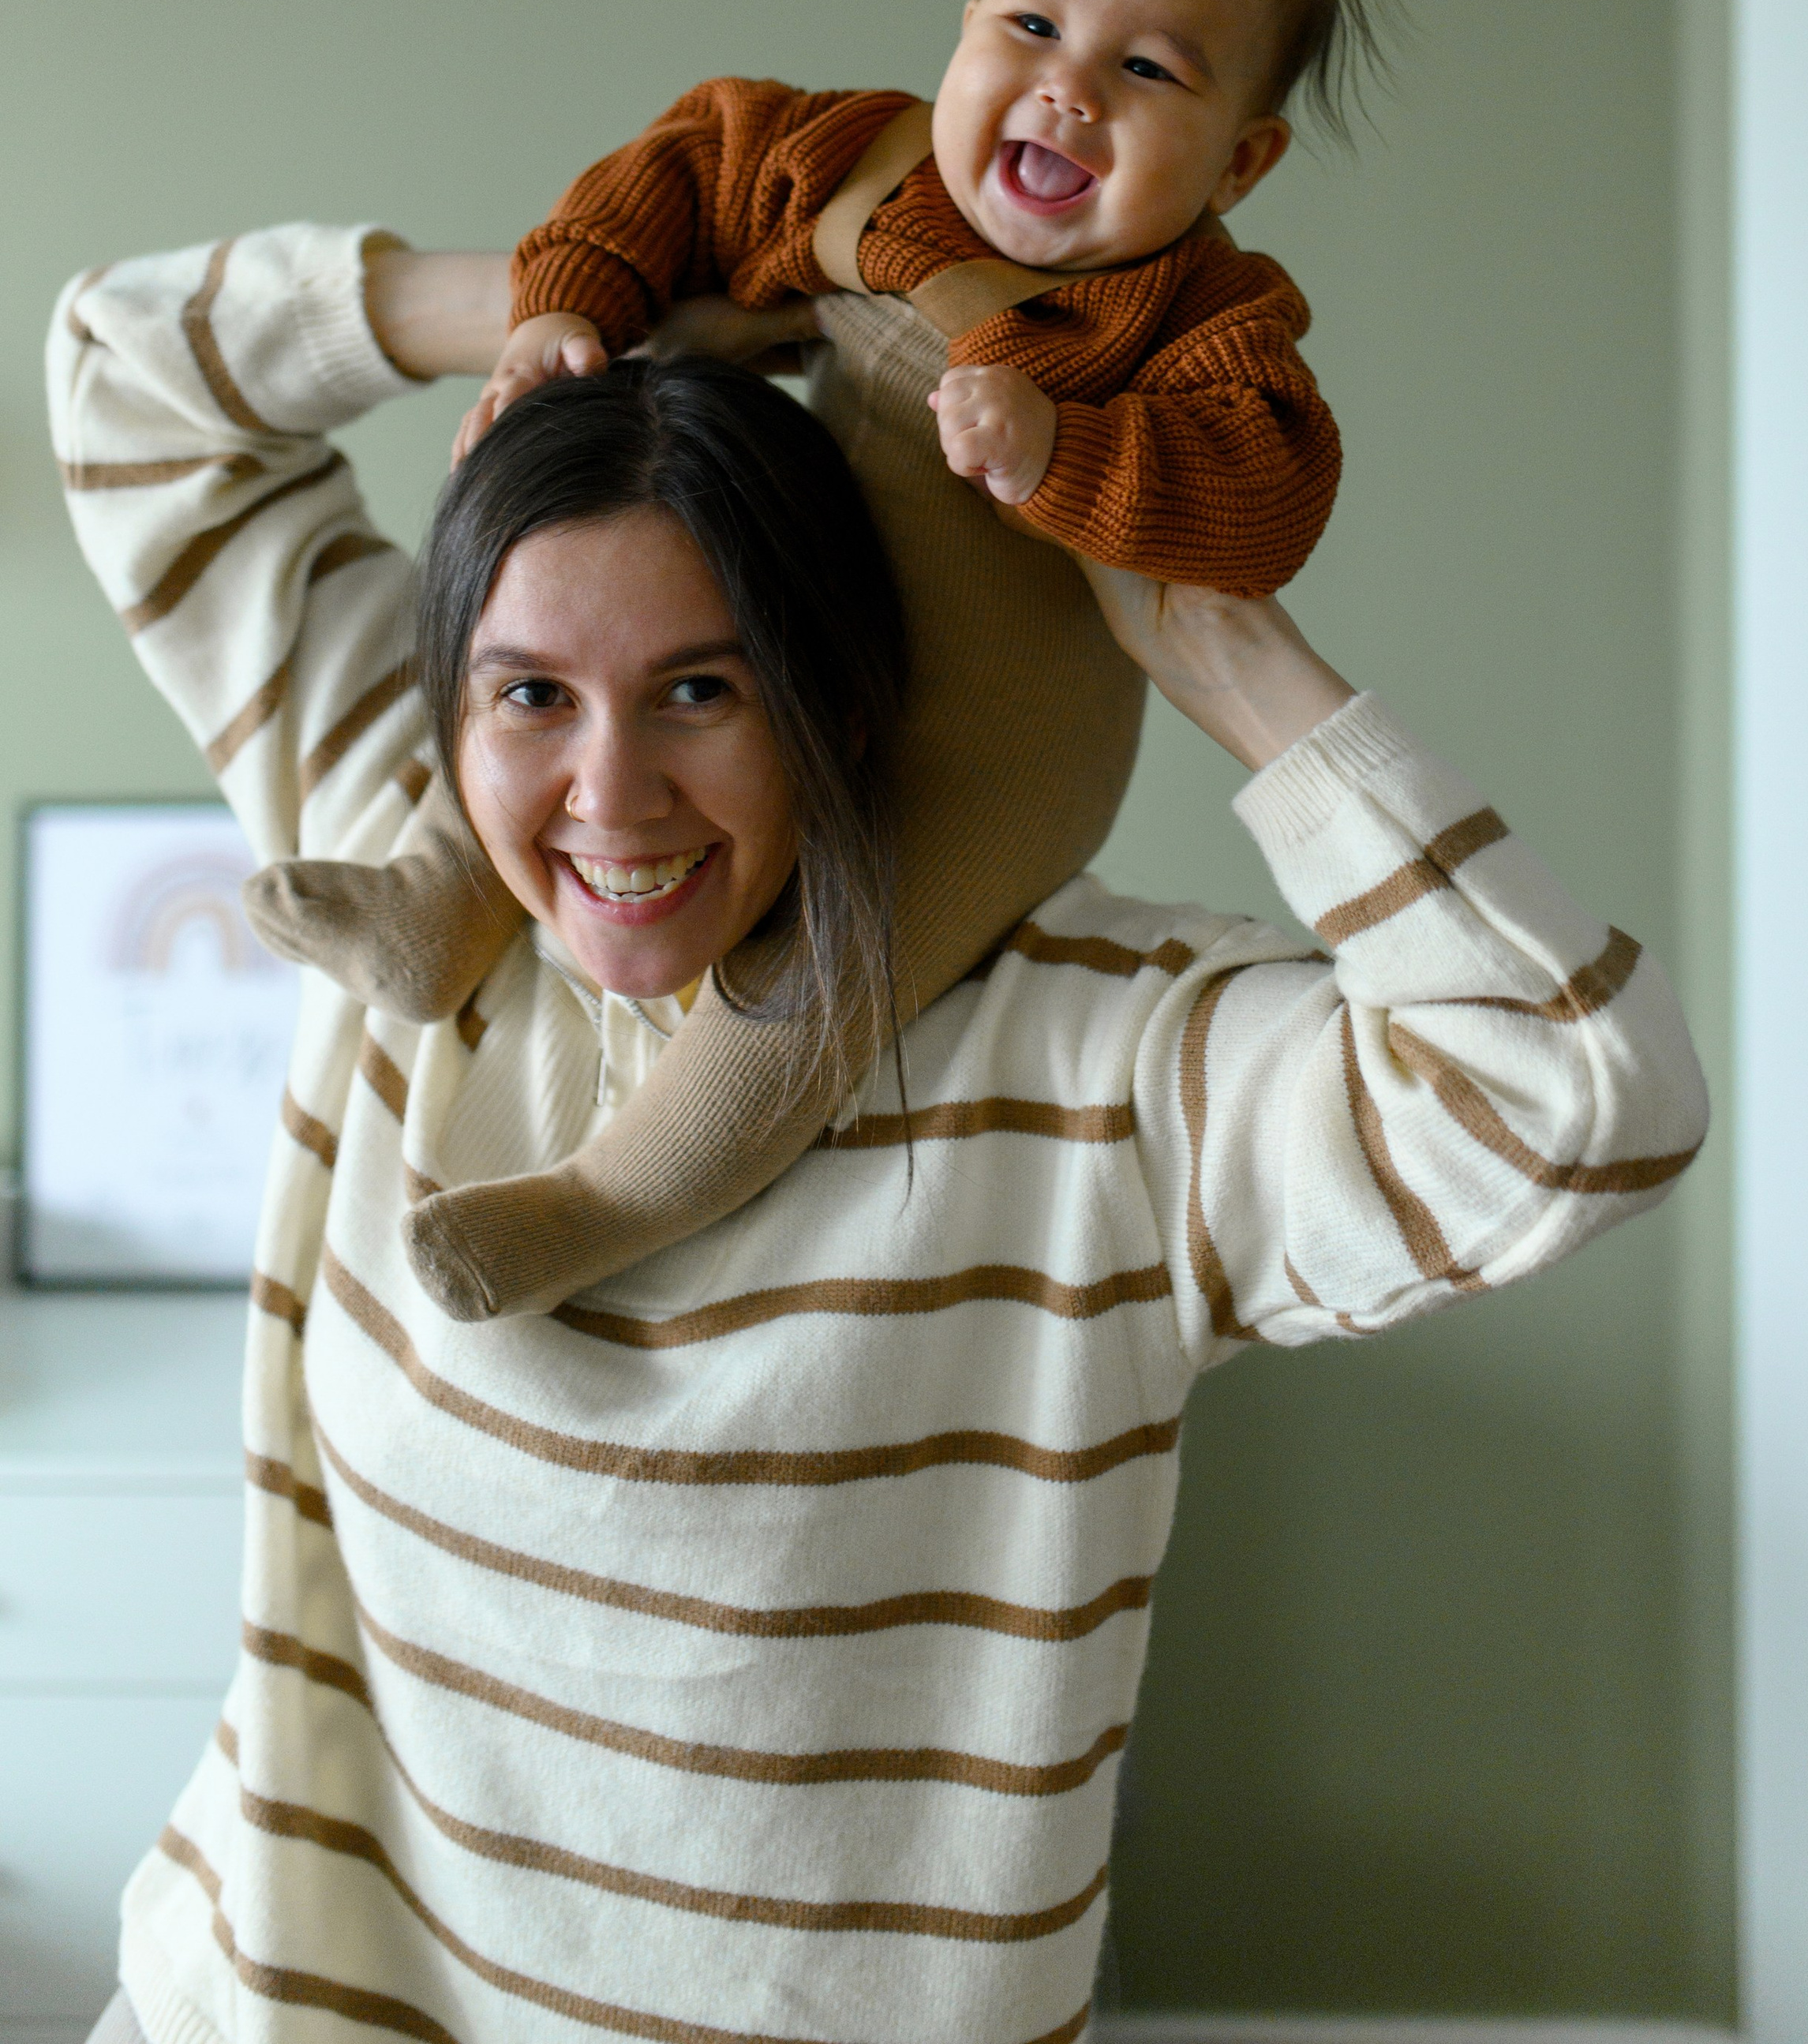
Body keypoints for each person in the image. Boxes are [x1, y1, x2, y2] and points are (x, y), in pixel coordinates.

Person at [54, 222, 1706, 2044]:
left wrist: (1215, 641)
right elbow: (128, 371)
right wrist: (566, 306)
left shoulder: (1090, 1064)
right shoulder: (392, 860)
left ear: (836, 699)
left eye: (703, 685)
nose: (605, 794)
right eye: (528, 692)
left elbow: (1576, 1105)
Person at [255, 0, 1385, 1327]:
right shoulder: (857, 159)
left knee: (831, 971)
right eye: (1035, 25)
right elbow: (677, 167)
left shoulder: (1207, 323)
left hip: (990, 752)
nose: (1070, 89)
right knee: (580, 707)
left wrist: (1066, 454)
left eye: (1150, 71)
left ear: (1242, 153)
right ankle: (432, 903)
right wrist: (560, 309)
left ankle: (608, 1194)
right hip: (788, 637)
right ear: (966, 31)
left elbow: (1265, 500)